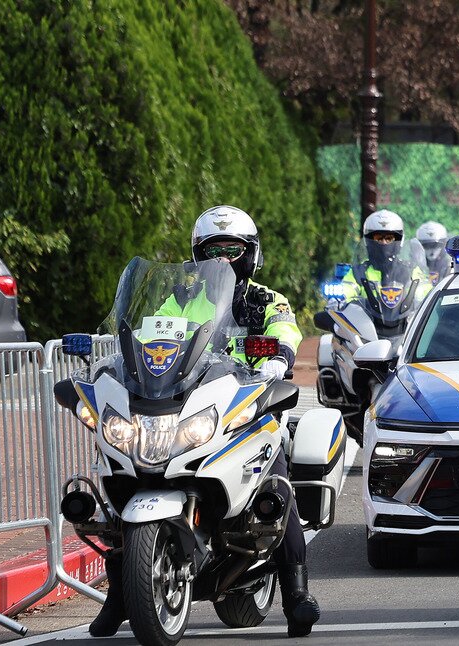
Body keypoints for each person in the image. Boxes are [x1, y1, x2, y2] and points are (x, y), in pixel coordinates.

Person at [91, 206, 319, 638]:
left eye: (233, 250)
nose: (223, 259)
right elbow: (149, 336)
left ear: (250, 254)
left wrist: (278, 361)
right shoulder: (181, 298)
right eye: (214, 250)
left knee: (277, 482)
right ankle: (121, 594)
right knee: (128, 477)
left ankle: (297, 593)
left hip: (247, 403)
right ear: (197, 255)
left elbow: (287, 332)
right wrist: (118, 363)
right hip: (187, 401)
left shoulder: (267, 300)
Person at [341, 209, 431, 301]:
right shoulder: (358, 272)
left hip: (407, 315)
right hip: (365, 315)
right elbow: (347, 289)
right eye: (379, 238)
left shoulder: (411, 270)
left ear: (398, 241)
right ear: (368, 241)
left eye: (389, 238)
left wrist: (426, 297)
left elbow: (426, 292)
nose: (384, 243)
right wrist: (340, 298)